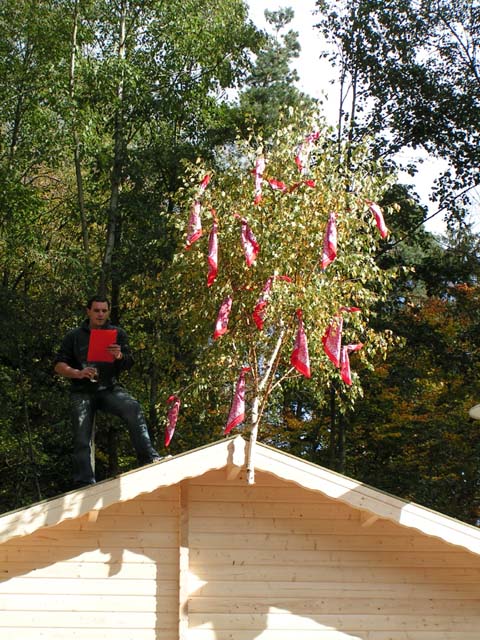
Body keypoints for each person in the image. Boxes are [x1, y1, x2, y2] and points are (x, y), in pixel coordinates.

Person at [54, 295, 161, 487]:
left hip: (108, 388)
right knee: (81, 435)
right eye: (96, 310)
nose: (100, 314)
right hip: (82, 391)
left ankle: (149, 460)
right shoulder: (74, 335)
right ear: (88, 311)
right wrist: (78, 373)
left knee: (132, 407)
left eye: (104, 310)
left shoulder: (117, 333)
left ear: (109, 311)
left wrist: (119, 355)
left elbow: (129, 362)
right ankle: (84, 482)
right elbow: (58, 365)